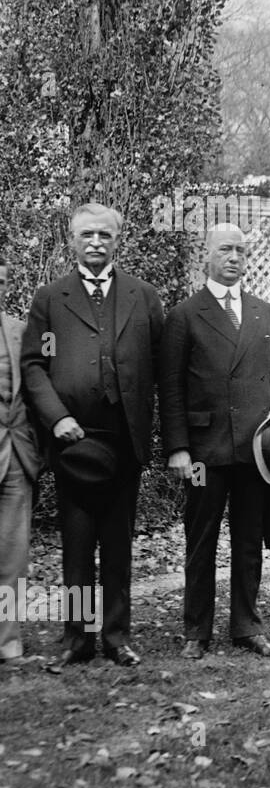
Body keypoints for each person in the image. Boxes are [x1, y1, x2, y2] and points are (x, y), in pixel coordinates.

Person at [21, 203, 164, 668]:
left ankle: (117, 637)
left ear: (118, 240)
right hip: (72, 441)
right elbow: (35, 367)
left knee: (119, 544)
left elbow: (162, 367)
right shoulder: (51, 299)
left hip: (124, 439)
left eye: (104, 234)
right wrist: (57, 417)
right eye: (87, 235)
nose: (96, 242)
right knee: (78, 545)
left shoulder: (144, 297)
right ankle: (77, 640)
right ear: (73, 240)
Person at [159, 224, 270, 659]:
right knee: (201, 539)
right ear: (207, 255)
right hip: (204, 451)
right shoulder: (184, 314)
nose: (234, 257)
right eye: (225, 250)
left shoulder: (261, 311)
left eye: (240, 250)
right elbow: (171, 387)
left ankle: (246, 626)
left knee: (249, 538)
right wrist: (178, 448)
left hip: (253, 449)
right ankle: (196, 631)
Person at [0, 252, 40, 665]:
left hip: (14, 457)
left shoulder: (20, 332)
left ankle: (8, 641)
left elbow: (35, 391)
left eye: (1, 281)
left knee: (13, 554)